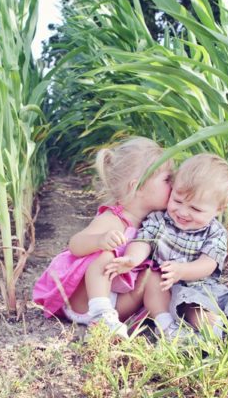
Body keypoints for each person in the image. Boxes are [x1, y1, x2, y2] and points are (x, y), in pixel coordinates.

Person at [105, 153, 228, 340]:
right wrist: (132, 259)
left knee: (226, 300)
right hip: (161, 288)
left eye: (195, 209)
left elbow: (208, 264)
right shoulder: (159, 220)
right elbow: (143, 242)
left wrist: (182, 271)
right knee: (183, 302)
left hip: (199, 287)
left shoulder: (215, 232)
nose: (183, 212)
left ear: (219, 209)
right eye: (177, 201)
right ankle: (209, 332)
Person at [32, 137, 174, 339]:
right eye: (167, 179)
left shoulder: (152, 223)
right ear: (138, 187)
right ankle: (101, 316)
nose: (173, 184)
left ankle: (164, 322)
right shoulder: (114, 219)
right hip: (85, 301)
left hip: (118, 302)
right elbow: (75, 245)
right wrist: (99, 240)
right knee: (105, 255)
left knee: (153, 276)